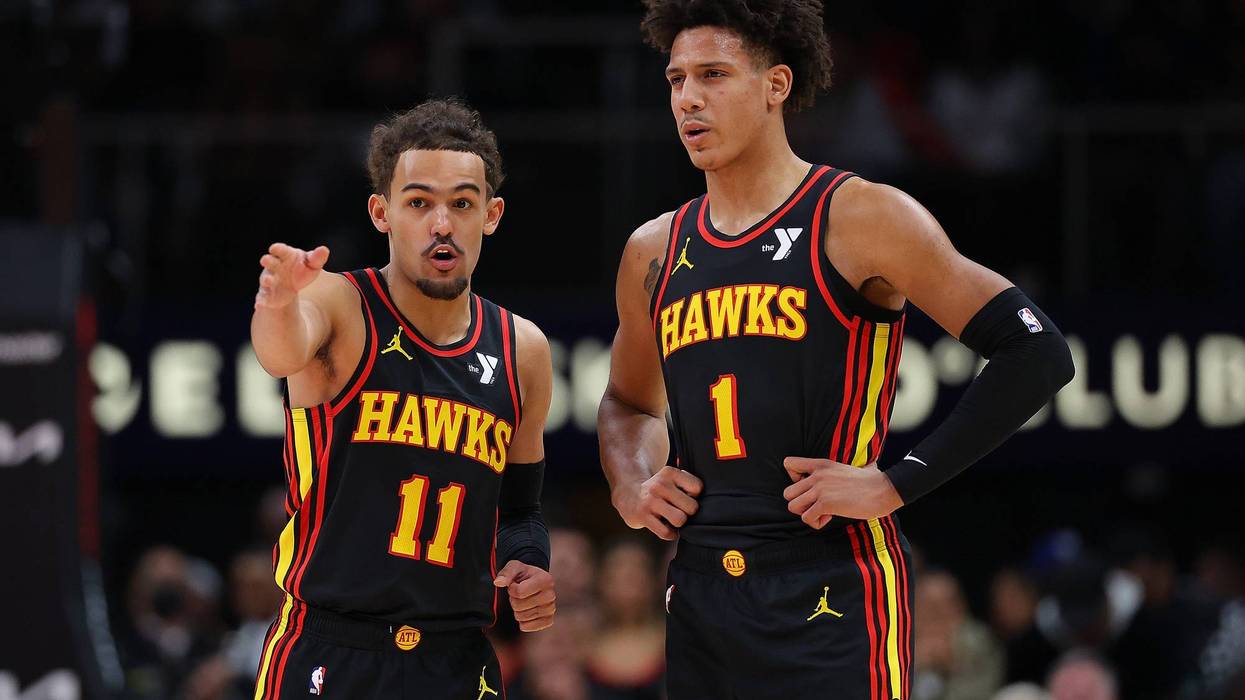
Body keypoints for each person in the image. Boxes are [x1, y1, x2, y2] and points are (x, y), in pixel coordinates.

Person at [596, 1, 1074, 698]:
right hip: (702, 593)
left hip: (830, 584)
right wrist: (630, 483)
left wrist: (894, 482)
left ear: (776, 85)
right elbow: (626, 402)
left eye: (712, 74)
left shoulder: (860, 216)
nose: (688, 97)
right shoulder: (653, 249)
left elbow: (1034, 351)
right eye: (675, 79)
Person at [249, 98, 555, 698]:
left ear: (491, 215)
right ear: (381, 212)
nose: (442, 224)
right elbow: (281, 354)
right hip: (330, 648)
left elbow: (521, 510)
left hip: (457, 659)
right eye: (419, 203)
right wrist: (279, 303)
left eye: (461, 204)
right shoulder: (341, 304)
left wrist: (529, 565)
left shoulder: (523, 349)